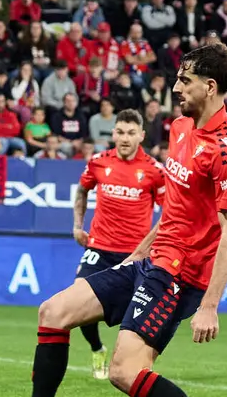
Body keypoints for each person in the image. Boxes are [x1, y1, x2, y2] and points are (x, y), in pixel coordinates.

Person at [0, 44, 227, 397]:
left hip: (180, 276)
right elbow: (176, 208)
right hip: (151, 259)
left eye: (184, 80)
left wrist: (210, 305)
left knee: (124, 373)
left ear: (210, 86)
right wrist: (141, 250)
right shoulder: (180, 126)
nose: (176, 88)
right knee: (53, 312)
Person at [70, 109, 168, 379]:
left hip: (135, 255)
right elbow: (82, 190)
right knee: (77, 301)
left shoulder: (154, 171)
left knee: (138, 316)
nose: (125, 138)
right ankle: (97, 348)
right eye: (121, 132)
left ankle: (135, 364)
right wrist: (78, 225)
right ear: (113, 133)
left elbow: (170, 212)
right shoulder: (98, 162)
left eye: (131, 133)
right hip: (99, 248)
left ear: (141, 136)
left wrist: (156, 245)